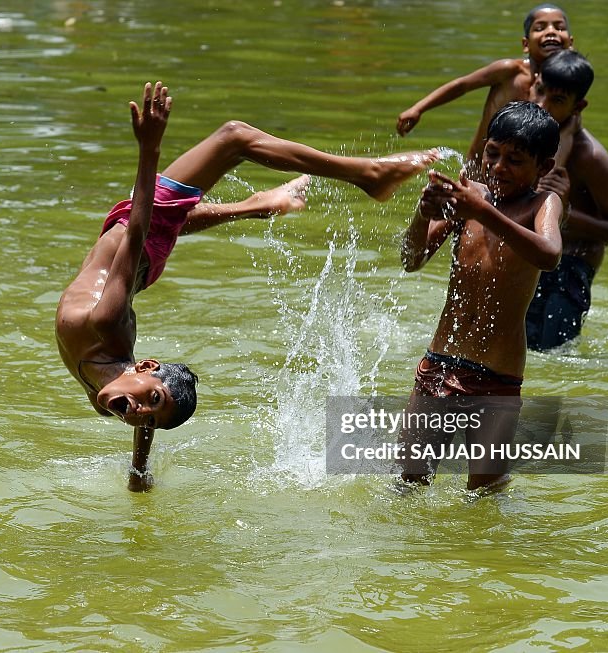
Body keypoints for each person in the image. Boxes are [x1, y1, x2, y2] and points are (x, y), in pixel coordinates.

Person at [57, 81, 438, 491]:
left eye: (147, 416)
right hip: (136, 237)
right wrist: (149, 147)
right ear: (145, 367)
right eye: (150, 405)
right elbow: (137, 231)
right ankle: (367, 175)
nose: (136, 415)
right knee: (234, 137)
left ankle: (271, 203)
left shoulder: (111, 386)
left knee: (204, 177)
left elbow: (140, 235)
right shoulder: (108, 324)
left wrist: (139, 473)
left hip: (139, 258)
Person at [399, 101, 563, 491]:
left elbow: (550, 254)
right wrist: (424, 214)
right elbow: (412, 260)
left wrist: (482, 210)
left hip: (497, 378)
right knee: (407, 481)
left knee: (486, 493)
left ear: (543, 168)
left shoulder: (542, 204)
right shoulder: (470, 196)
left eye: (515, 159)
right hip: (438, 365)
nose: (499, 166)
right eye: (493, 153)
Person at [527, 50, 608, 350]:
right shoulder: (528, 137)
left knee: (554, 357)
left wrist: (565, 212)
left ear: (579, 106)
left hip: (571, 269)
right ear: (533, 83)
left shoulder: (590, 157)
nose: (542, 105)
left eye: (556, 100)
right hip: (533, 260)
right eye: (540, 92)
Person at [395, 4, 573, 170]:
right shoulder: (509, 71)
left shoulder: (568, 91)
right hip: (478, 168)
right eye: (540, 28)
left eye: (559, 27)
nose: (551, 32)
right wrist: (418, 108)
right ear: (525, 45)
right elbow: (462, 85)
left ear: (570, 43)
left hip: (523, 179)